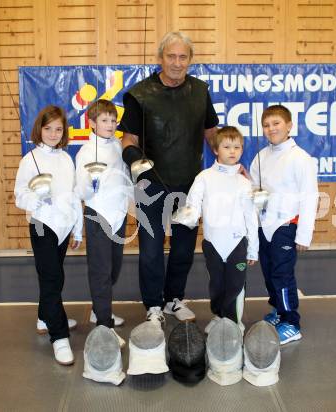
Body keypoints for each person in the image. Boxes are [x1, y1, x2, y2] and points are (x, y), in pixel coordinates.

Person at [118, 31, 219, 323]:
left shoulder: (200, 91)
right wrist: (137, 161)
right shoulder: (140, 93)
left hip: (190, 185)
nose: (176, 63)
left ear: (190, 60)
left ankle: (173, 299)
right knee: (151, 250)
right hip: (151, 186)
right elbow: (128, 140)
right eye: (171, 56)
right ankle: (152, 305)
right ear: (160, 58)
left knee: (184, 249)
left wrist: (229, 160)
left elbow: (211, 132)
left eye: (182, 57)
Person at [14, 105, 83, 365]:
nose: (53, 133)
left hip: (64, 226)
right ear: (39, 130)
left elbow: (74, 195)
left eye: (58, 129)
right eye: (48, 128)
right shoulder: (29, 159)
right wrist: (38, 200)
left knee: (55, 274)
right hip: (43, 224)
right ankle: (59, 335)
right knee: (51, 276)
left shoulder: (66, 159)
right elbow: (19, 195)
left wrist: (77, 228)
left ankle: (45, 316)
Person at [178, 127, 258, 335]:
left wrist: (253, 249)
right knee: (217, 284)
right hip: (213, 242)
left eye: (237, 147)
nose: (232, 151)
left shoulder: (244, 182)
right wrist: (187, 216)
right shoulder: (204, 177)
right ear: (216, 150)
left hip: (237, 243)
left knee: (235, 284)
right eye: (227, 147)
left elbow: (251, 216)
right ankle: (219, 315)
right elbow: (193, 203)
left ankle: (233, 323)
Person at [250, 104, 318, 345]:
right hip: (265, 225)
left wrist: (303, 235)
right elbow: (255, 190)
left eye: (276, 124)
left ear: (289, 126)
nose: (271, 129)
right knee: (269, 273)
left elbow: (310, 197)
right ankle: (279, 311)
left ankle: (292, 322)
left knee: (282, 275)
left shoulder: (301, 158)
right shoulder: (261, 156)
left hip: (287, 225)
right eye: (266, 125)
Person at [75, 99, 130, 335]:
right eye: (104, 120)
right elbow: (81, 191)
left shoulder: (117, 145)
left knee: (114, 268)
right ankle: (103, 323)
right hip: (99, 215)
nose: (109, 124)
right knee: (101, 270)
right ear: (92, 123)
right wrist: (91, 181)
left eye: (113, 120)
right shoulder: (85, 152)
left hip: (118, 214)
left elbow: (124, 175)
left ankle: (101, 308)